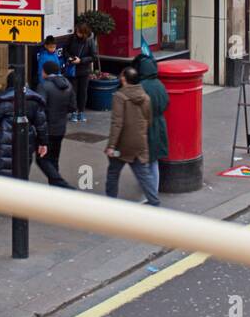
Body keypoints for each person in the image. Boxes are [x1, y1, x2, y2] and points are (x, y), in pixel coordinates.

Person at [105, 66, 160, 206]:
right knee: (143, 174)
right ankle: (154, 201)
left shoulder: (120, 96)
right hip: (139, 143)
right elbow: (149, 119)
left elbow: (117, 123)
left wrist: (111, 146)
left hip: (121, 145)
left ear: (124, 79)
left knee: (113, 173)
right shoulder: (145, 97)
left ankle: (109, 203)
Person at [0, 71, 48, 178]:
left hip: (5, 137)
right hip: (27, 138)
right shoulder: (34, 100)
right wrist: (43, 143)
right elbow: (41, 124)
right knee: (21, 167)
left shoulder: (5, 100)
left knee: (2, 167)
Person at [35, 60, 75, 188]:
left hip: (47, 129)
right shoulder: (68, 84)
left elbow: (39, 108)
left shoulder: (44, 86)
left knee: (42, 158)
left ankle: (60, 184)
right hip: (60, 128)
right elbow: (73, 106)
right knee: (54, 159)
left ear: (45, 71)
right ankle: (56, 188)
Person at [134, 49, 170, 192]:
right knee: (153, 161)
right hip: (159, 125)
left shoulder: (141, 87)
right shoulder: (160, 85)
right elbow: (166, 103)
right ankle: (153, 191)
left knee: (140, 162)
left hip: (144, 127)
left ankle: (148, 192)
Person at [62, 21, 98, 124]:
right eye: (76, 31)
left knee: (82, 92)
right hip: (72, 70)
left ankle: (81, 112)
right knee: (73, 92)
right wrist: (69, 57)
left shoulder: (89, 41)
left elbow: (94, 56)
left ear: (84, 32)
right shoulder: (71, 38)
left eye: (78, 32)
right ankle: (73, 111)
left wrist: (81, 60)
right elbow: (65, 50)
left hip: (84, 70)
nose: (76, 33)